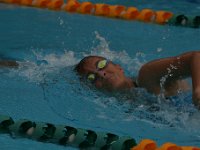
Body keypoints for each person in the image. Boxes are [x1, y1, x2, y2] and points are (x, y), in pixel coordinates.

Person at [75, 51, 200, 108]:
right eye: (91, 78)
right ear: (92, 89)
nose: (101, 74)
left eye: (101, 65)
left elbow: (196, 57)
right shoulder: (122, 109)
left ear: (118, 67)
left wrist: (198, 90)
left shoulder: (148, 75)